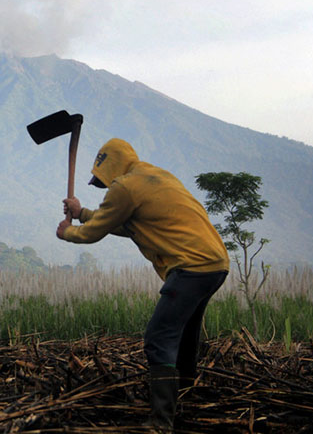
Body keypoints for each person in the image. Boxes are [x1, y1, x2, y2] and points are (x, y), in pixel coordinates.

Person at [56, 138, 228, 432]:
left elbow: (95, 232)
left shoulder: (124, 187)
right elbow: (123, 223)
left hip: (190, 268)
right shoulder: (155, 176)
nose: (106, 186)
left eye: (103, 180)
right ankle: (185, 400)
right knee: (184, 335)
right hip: (215, 263)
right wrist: (82, 212)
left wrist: (69, 232)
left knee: (159, 338)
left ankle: (161, 422)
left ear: (111, 167)